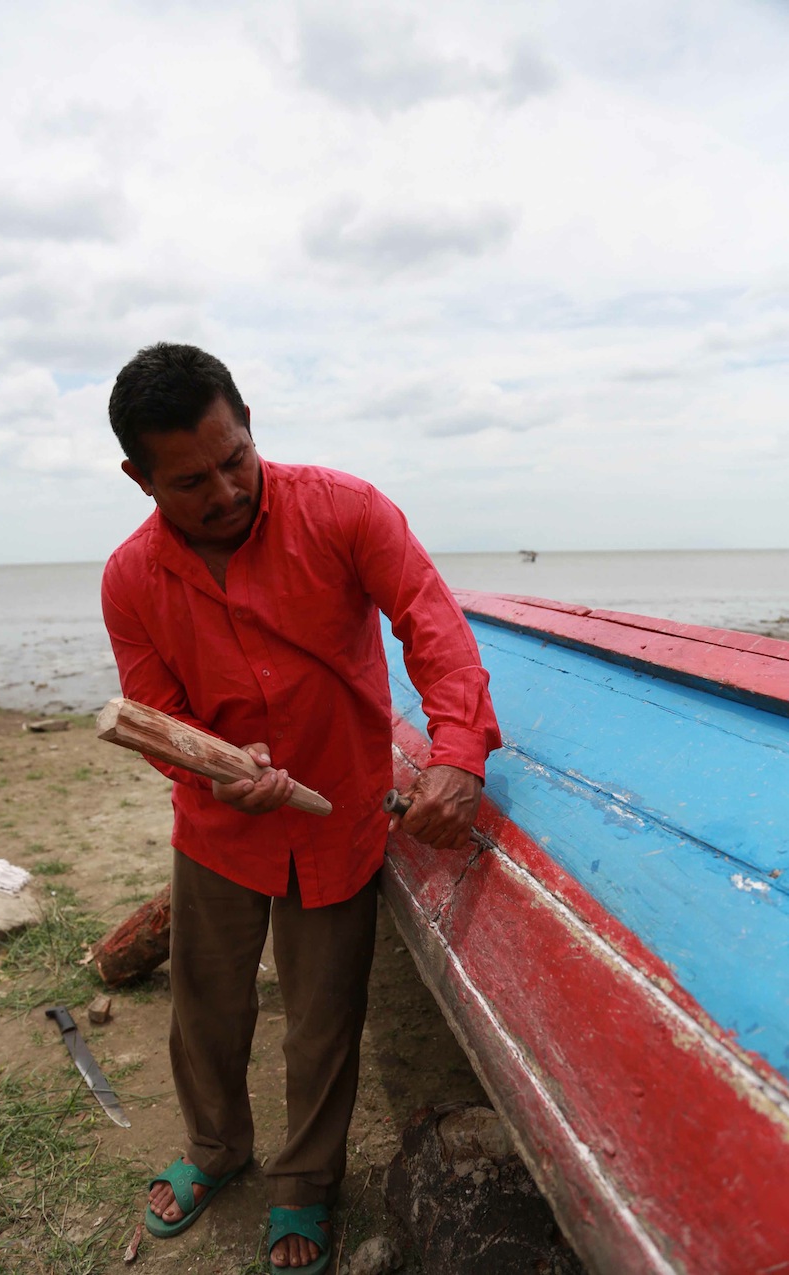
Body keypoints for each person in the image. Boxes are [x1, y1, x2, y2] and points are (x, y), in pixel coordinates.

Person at [102, 343, 501, 1273]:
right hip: (219, 829)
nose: (227, 489)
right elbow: (159, 721)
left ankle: (304, 1184)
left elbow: (433, 626)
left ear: (249, 425)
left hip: (341, 818)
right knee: (207, 1006)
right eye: (192, 479)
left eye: (235, 457)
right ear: (139, 476)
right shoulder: (131, 580)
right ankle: (214, 1146)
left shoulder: (346, 509)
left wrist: (459, 756)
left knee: (323, 1015)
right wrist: (217, 770)